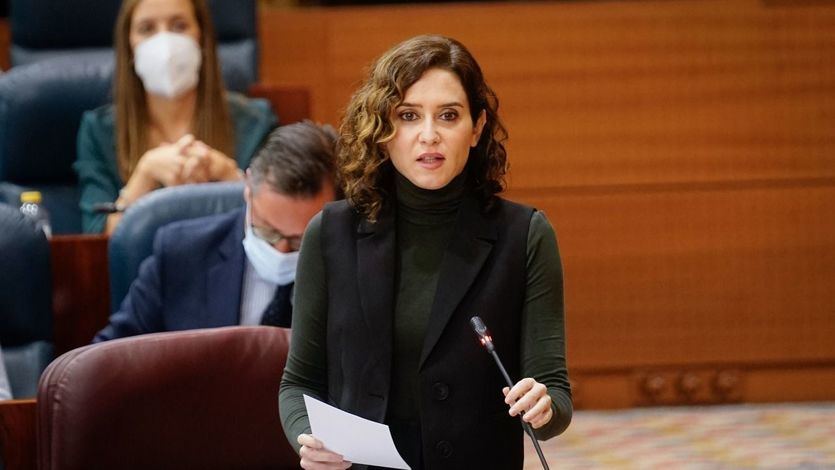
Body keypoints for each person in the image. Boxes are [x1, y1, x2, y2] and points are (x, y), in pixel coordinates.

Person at [279, 35, 572, 469]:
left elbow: (555, 396)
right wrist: (310, 439)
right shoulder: (331, 234)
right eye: (408, 116)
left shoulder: (524, 235)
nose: (429, 135)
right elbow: (298, 384)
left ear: (476, 129)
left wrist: (542, 405)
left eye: (449, 116)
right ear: (382, 131)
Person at [93, 121, 337, 342]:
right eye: (267, 231)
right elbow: (109, 359)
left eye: (299, 241)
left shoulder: (355, 269)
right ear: (247, 188)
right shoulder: (181, 254)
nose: (280, 251)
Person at [75, 0, 276, 234]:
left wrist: (229, 176)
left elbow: (276, 229)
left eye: (179, 26)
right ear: (129, 45)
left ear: (201, 37)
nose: (165, 44)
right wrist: (144, 175)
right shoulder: (99, 130)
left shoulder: (255, 122)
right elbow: (97, 240)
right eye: (147, 29)